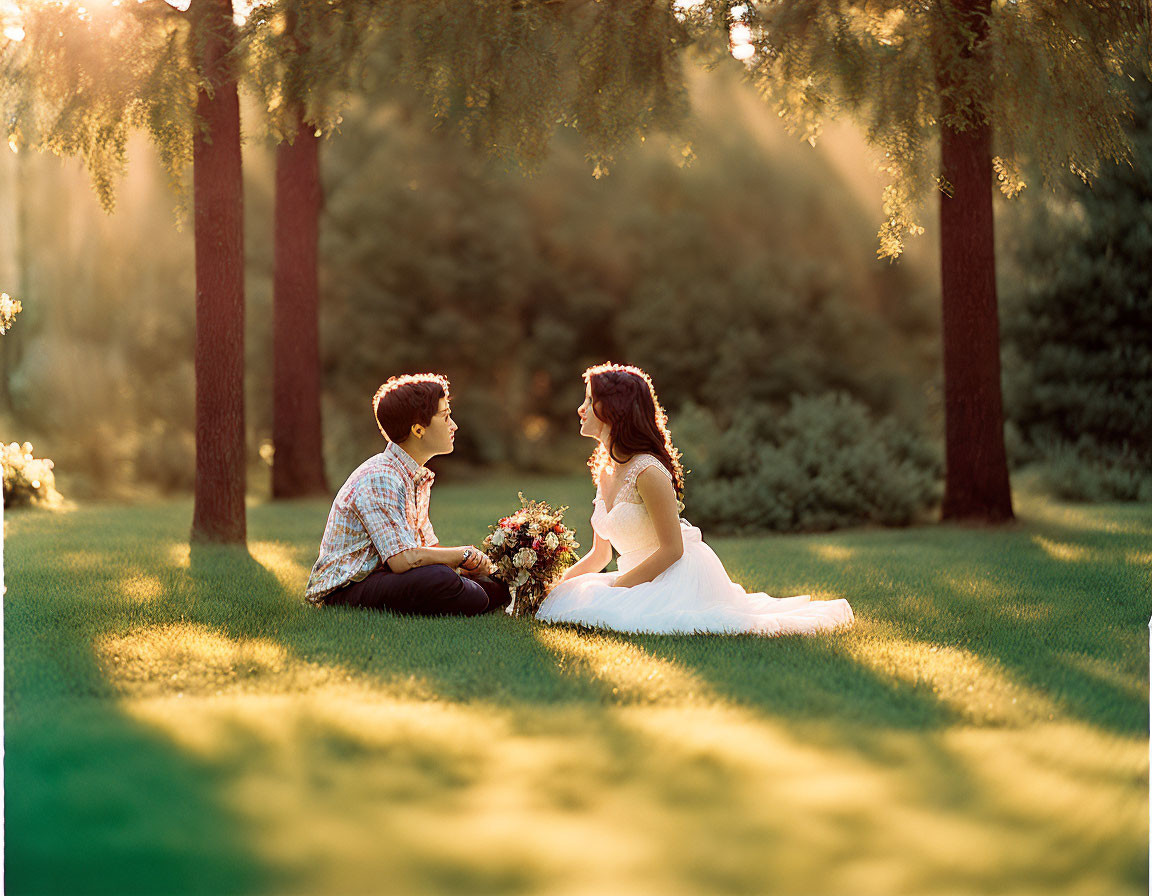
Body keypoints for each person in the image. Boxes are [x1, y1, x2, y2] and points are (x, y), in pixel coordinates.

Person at [536, 363, 854, 635]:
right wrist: (553, 586)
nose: (581, 409)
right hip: (637, 576)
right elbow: (599, 555)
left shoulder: (648, 471)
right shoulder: (604, 471)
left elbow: (673, 550)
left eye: (590, 401)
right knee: (572, 602)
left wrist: (617, 589)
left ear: (614, 408)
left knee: (604, 611)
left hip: (677, 575)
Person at [304, 373, 510, 616]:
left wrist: (468, 568)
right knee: (442, 578)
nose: (454, 425)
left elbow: (425, 549)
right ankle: (471, 595)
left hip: (387, 576)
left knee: (491, 585)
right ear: (418, 429)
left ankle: (475, 594)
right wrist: (462, 554)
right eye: (445, 417)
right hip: (349, 588)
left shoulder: (415, 476)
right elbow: (402, 560)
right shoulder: (381, 476)